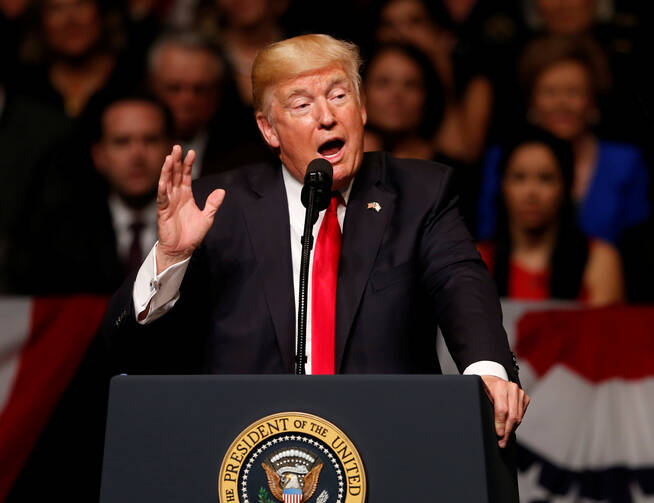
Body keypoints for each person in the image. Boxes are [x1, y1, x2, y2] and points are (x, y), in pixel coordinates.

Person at [104, 34, 528, 448]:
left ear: (362, 109)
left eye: (339, 96)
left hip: (388, 444)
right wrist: (170, 258)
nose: (326, 117)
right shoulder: (215, 206)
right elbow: (123, 351)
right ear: (269, 129)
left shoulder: (420, 193)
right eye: (302, 105)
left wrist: (487, 370)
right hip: (243, 452)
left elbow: (462, 285)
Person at [477, 34, 650, 244]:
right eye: (549, 92)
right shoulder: (502, 158)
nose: (561, 103)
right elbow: (488, 238)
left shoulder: (625, 163)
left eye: (574, 92)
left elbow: (639, 244)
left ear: (592, 100)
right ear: (532, 101)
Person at [8, 92, 171, 294]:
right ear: (99, 155)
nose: (137, 155)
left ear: (171, 149)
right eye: (122, 142)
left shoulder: (199, 226)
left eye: (150, 140)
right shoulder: (59, 232)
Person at [477, 127, 624, 305]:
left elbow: (605, 331)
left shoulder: (599, 259)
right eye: (519, 177)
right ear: (502, 186)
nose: (531, 193)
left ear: (566, 187)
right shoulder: (477, 260)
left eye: (545, 178)